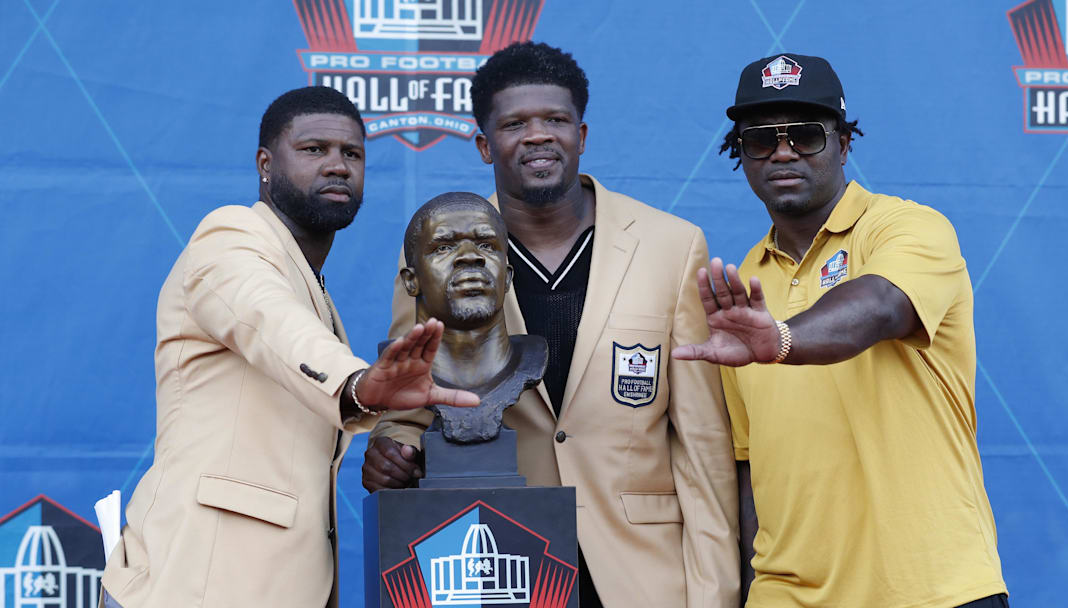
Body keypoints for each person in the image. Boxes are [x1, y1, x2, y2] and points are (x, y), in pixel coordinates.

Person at [364, 42, 739, 607]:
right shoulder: (438, 253)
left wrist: (714, 592)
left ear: (581, 136)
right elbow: (410, 401)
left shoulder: (672, 245)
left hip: (639, 572)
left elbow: (701, 444)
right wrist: (393, 446)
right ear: (486, 146)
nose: (538, 135)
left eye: (555, 120)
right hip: (505, 561)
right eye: (515, 123)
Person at [98, 87, 478, 608]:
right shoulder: (230, 237)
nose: (338, 166)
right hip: (195, 584)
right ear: (265, 164)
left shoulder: (312, 286)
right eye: (313, 149)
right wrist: (356, 385)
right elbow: (267, 319)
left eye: (352, 153)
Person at [672, 53, 1008, 607]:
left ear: (844, 143)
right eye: (760, 139)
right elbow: (752, 469)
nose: (783, 151)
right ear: (742, 156)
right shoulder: (744, 289)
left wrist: (781, 340)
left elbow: (880, 305)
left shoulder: (906, 227)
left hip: (932, 589)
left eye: (805, 135)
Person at [398, 191, 546, 443]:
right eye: (443, 247)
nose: (470, 256)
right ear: (412, 281)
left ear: (507, 277)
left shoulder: (532, 360)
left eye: (487, 245)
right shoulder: (398, 367)